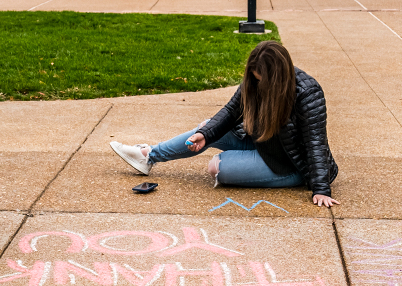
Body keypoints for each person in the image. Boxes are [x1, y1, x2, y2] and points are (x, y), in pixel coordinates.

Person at [109, 40, 339, 207]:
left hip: (290, 164)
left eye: (262, 81)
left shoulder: (307, 92)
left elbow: (315, 143)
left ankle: (245, 164)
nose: (258, 84)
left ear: (276, 77)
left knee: (216, 167)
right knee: (207, 127)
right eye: (255, 78)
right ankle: (149, 156)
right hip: (263, 143)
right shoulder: (254, 81)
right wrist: (207, 134)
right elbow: (230, 112)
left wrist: (321, 189)